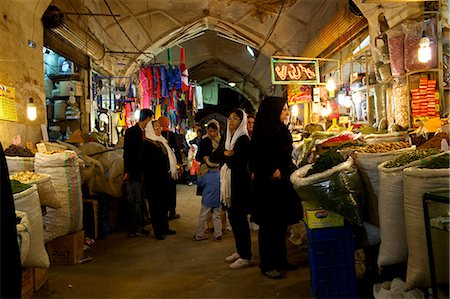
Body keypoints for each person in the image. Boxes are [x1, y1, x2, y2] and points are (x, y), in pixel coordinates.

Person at [251, 96, 302, 279]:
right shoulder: (263, 131)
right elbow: (257, 158)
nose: (287, 112)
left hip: (281, 186)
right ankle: (267, 265)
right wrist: (271, 168)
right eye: (284, 110)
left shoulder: (279, 129)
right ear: (273, 112)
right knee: (269, 227)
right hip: (268, 188)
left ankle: (281, 260)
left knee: (280, 225)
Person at [216, 109, 253, 269]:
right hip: (231, 184)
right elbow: (219, 155)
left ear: (241, 121)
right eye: (229, 118)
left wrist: (227, 156)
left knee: (240, 220)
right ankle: (240, 251)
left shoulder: (243, 139)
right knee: (234, 219)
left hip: (240, 185)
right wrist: (227, 154)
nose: (231, 121)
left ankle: (246, 256)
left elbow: (235, 161)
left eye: (235, 118)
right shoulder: (229, 138)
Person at [141, 120, 177, 240]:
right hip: (154, 181)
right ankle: (158, 231)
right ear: (151, 129)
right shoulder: (147, 144)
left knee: (164, 205)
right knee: (155, 206)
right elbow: (147, 165)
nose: (159, 130)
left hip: (164, 179)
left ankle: (165, 227)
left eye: (159, 127)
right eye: (156, 128)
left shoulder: (161, 141)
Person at [123, 108, 154, 237]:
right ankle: (134, 228)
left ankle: (141, 226)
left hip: (142, 172)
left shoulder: (145, 133)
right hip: (133, 172)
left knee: (140, 200)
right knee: (134, 201)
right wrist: (127, 171)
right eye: (151, 120)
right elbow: (128, 154)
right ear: (147, 119)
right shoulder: (131, 132)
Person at [158, 115, 182, 220]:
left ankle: (163, 212)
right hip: (171, 167)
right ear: (167, 123)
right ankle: (171, 212)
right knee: (171, 190)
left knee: (163, 191)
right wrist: (180, 164)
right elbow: (177, 150)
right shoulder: (171, 135)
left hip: (160, 169)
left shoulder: (155, 136)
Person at [193, 159, 222, 241]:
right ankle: (218, 235)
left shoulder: (205, 176)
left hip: (207, 200)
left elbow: (200, 184)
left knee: (203, 217)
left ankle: (199, 235)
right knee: (216, 217)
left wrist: (199, 175)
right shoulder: (220, 175)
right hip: (217, 200)